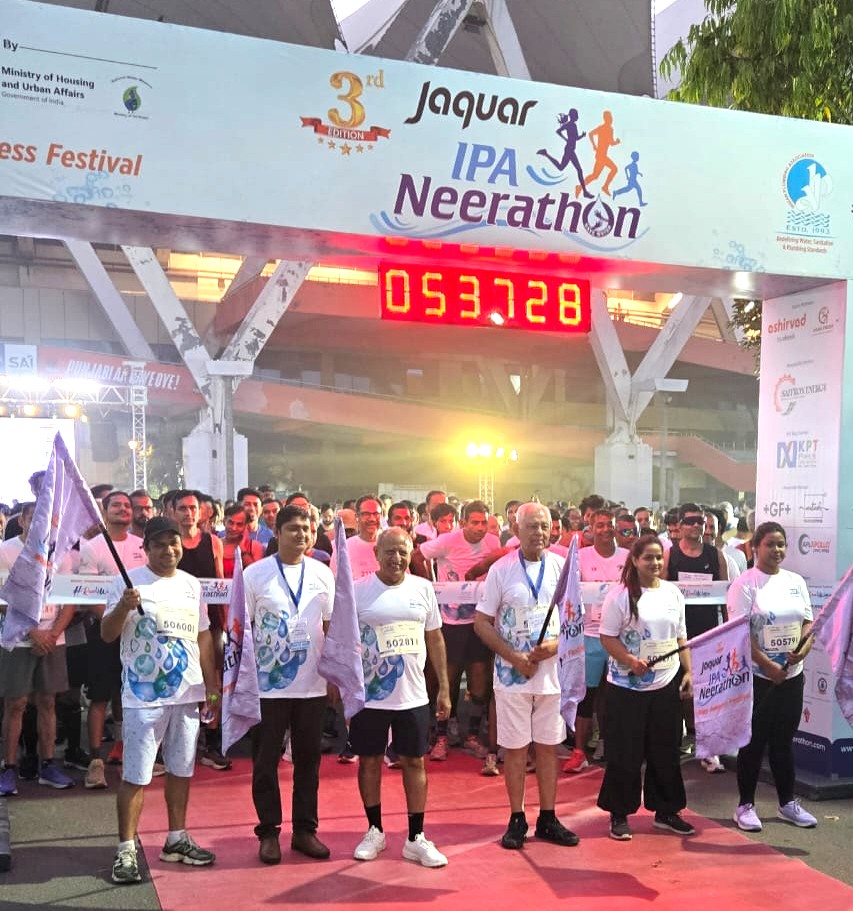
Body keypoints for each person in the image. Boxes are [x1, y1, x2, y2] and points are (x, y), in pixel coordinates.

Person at [101, 517, 219, 884]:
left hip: (187, 693)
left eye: (174, 543)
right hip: (143, 697)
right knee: (136, 775)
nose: (169, 550)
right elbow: (107, 634)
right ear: (146, 548)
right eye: (160, 544)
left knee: (182, 769)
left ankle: (176, 839)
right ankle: (126, 849)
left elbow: (203, 636)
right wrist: (123, 607)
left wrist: (212, 684)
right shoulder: (128, 582)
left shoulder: (191, 584)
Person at [474, 502, 580, 851]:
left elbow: (575, 622)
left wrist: (556, 645)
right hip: (512, 676)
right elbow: (481, 623)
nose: (539, 532)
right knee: (516, 749)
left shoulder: (562, 568)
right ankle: (517, 817)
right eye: (532, 526)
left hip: (552, 676)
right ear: (516, 530)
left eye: (544, 526)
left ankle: (548, 817)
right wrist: (514, 657)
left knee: (548, 747)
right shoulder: (501, 570)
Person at [350, 528, 451, 868]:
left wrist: (444, 687)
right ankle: (374, 831)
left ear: (411, 554)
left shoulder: (423, 588)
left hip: (413, 694)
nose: (396, 558)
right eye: (389, 551)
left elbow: (435, 638)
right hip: (370, 696)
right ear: (376, 553)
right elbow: (344, 640)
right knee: (369, 761)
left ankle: (416, 837)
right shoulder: (358, 591)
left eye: (402, 552)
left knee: (415, 762)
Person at [243, 504, 335, 865]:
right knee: (265, 761)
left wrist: (335, 675)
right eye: (294, 528)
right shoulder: (255, 575)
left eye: (307, 529)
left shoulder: (322, 573)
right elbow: (243, 630)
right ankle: (268, 832)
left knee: (308, 761)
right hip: (268, 686)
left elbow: (330, 627)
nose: (301, 534)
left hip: (312, 684)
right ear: (278, 532)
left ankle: (304, 831)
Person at [596, 534, 695, 840]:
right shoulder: (620, 596)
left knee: (665, 751)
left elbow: (681, 637)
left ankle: (666, 811)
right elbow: (607, 637)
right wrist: (629, 660)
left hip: (666, 686)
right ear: (635, 560)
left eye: (658, 557)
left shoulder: (673, 593)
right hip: (627, 688)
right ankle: (619, 813)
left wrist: (688, 671)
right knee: (625, 752)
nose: (654, 563)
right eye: (648, 557)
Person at [727, 522, 817, 832]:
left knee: (783, 741)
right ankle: (745, 806)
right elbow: (739, 633)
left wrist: (802, 652)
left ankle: (787, 803)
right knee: (753, 743)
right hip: (758, 678)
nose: (776, 550)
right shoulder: (744, 584)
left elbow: (808, 623)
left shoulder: (795, 581)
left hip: (791, 677)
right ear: (755, 547)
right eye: (770, 544)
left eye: (781, 544)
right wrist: (767, 666)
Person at [0, 502, 76, 794]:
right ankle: (9, 767)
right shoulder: (6, 551)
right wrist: (34, 633)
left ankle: (48, 765)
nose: (42, 524)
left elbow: (69, 600)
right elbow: (4, 600)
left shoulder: (60, 553)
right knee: (16, 704)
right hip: (18, 640)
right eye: (35, 518)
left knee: (48, 702)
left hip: (53, 639)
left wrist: (53, 634)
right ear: (22, 521)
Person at [419, 500, 501, 769]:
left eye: (484, 523)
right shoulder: (447, 540)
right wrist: (429, 584)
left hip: (480, 621)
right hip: (450, 622)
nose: (479, 528)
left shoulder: (492, 542)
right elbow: (418, 554)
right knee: (448, 680)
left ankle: (472, 736)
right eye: (474, 522)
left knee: (479, 680)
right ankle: (440, 737)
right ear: (463, 522)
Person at [79, 491, 147, 788]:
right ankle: (95, 761)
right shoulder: (92, 547)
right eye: (116, 505)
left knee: (128, 694)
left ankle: (124, 749)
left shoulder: (141, 545)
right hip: (103, 632)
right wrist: (114, 619)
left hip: (137, 633)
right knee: (100, 697)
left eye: (127, 505)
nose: (123, 509)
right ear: (104, 512)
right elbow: (88, 594)